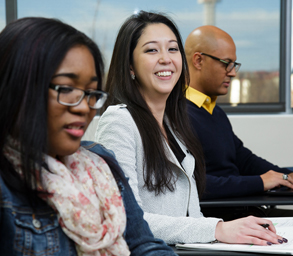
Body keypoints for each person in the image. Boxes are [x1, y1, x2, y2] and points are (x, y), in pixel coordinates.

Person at [95, 11, 288, 246]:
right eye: (152, 50)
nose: (166, 59)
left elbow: (192, 214)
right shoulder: (118, 121)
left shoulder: (174, 125)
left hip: (189, 248)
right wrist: (217, 228)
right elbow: (127, 219)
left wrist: (223, 237)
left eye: (173, 49)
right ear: (130, 67)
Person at [0, 17, 177, 256]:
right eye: (67, 89)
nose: (84, 108)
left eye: (91, 92)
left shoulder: (101, 163)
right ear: (19, 87)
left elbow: (142, 245)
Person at [184, 26, 293, 205]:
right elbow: (191, 184)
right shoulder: (176, 116)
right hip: (219, 217)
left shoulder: (214, 111)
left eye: (234, 65)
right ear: (198, 61)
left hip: (240, 206)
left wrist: (286, 176)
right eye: (226, 63)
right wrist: (260, 182)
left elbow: (244, 159)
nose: (233, 73)